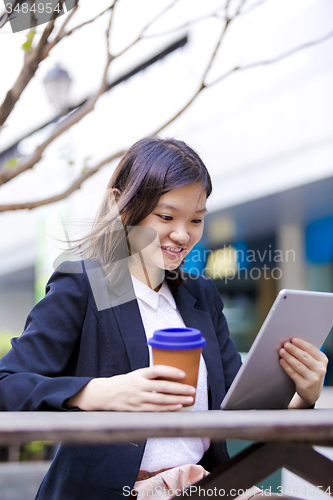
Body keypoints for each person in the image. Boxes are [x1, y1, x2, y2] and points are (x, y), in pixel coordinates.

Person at [0, 137, 328, 500]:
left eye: (197, 220)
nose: (182, 234)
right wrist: (100, 392)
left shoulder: (198, 295)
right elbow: (7, 383)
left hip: (208, 487)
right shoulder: (89, 285)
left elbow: (238, 408)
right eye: (166, 217)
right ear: (120, 205)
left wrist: (302, 396)